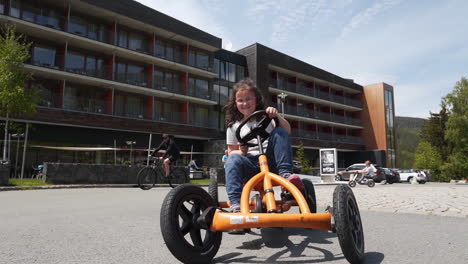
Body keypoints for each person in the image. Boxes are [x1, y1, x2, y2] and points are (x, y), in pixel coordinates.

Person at [224, 78, 303, 213]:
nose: (245, 103)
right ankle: (236, 204)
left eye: (249, 99)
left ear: (256, 100)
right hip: (249, 165)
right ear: (235, 103)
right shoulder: (233, 127)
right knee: (232, 159)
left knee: (279, 131)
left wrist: (276, 116)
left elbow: (287, 131)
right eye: (240, 100)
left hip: (271, 163)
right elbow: (231, 152)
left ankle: (285, 176)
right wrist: (242, 152)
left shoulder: (267, 119)